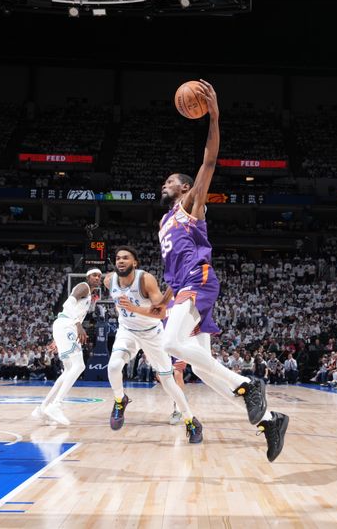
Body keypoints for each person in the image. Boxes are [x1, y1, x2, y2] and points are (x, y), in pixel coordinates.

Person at [156, 80, 288, 462]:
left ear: (184, 188)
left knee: (168, 346)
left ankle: (249, 385)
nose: (165, 185)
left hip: (199, 281)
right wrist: (164, 301)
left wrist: (214, 116)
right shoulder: (164, 222)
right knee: (206, 371)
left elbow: (209, 160)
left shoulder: (190, 205)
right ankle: (270, 420)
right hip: (181, 287)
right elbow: (170, 270)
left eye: (171, 181)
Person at [103, 246, 196, 439]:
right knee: (113, 366)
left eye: (126, 258)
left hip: (152, 333)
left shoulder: (145, 280)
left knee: (168, 381)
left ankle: (190, 420)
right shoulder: (108, 280)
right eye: (118, 258)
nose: (120, 261)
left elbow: (161, 312)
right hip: (127, 331)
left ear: (134, 262)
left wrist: (134, 308)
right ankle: (120, 400)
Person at [31, 269, 102, 426]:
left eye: (99, 276)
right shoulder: (83, 287)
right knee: (79, 365)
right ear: (88, 277)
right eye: (94, 275)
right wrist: (78, 324)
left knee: (69, 370)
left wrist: (58, 338)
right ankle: (56, 405)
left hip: (63, 326)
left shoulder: (90, 295)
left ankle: (42, 408)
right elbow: (67, 304)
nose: (97, 278)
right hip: (67, 325)